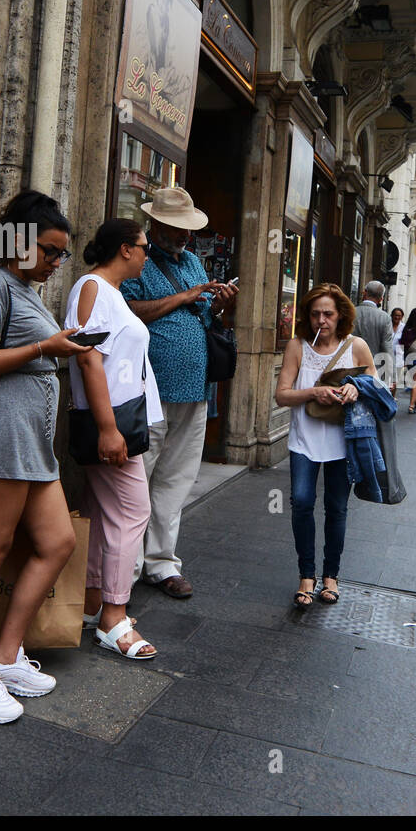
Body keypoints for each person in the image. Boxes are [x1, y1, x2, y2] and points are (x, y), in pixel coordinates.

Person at [0, 191, 91, 724]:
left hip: (32, 440)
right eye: (50, 252)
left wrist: (60, 344)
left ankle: (4, 657)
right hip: (0, 435)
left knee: (58, 542)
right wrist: (43, 349)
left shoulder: (25, 289)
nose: (57, 263)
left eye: (62, 255)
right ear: (19, 243)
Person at [120, 187, 237, 600]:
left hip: (196, 386)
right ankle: (127, 568)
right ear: (156, 224)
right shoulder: (138, 261)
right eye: (176, 228)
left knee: (177, 477)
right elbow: (129, 311)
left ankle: (162, 561)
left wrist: (218, 305)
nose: (185, 236)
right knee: (140, 475)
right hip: (151, 387)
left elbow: (202, 313)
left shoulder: (191, 260)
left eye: (188, 229)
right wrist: (184, 296)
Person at [66, 219, 165, 659]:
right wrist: (108, 428)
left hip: (120, 420)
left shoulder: (111, 292)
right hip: (110, 422)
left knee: (104, 513)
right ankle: (113, 616)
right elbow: (88, 358)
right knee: (132, 512)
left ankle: (93, 603)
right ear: (125, 249)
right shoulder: (92, 287)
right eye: (145, 247)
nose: (149, 254)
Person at [274, 284, 376, 608]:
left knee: (337, 509)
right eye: (315, 314)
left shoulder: (355, 346)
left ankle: (331, 575)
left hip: (342, 443)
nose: (322, 320)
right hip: (304, 441)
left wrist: (356, 391)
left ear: (340, 315)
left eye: (328, 314)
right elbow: (281, 394)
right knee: (302, 502)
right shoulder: (298, 346)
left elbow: (376, 383)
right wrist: (312, 393)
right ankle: (307, 574)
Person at [353, 279, 394, 385]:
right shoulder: (385, 318)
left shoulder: (351, 313)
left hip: (351, 366)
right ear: (381, 299)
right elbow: (387, 347)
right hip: (374, 370)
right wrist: (390, 375)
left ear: (364, 293)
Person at [389, 306, 404, 396]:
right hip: (387, 354)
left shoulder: (404, 327)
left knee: (396, 378)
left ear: (402, 317)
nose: (397, 317)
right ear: (392, 315)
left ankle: (393, 396)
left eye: (399, 315)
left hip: (399, 355)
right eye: (395, 315)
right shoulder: (387, 325)